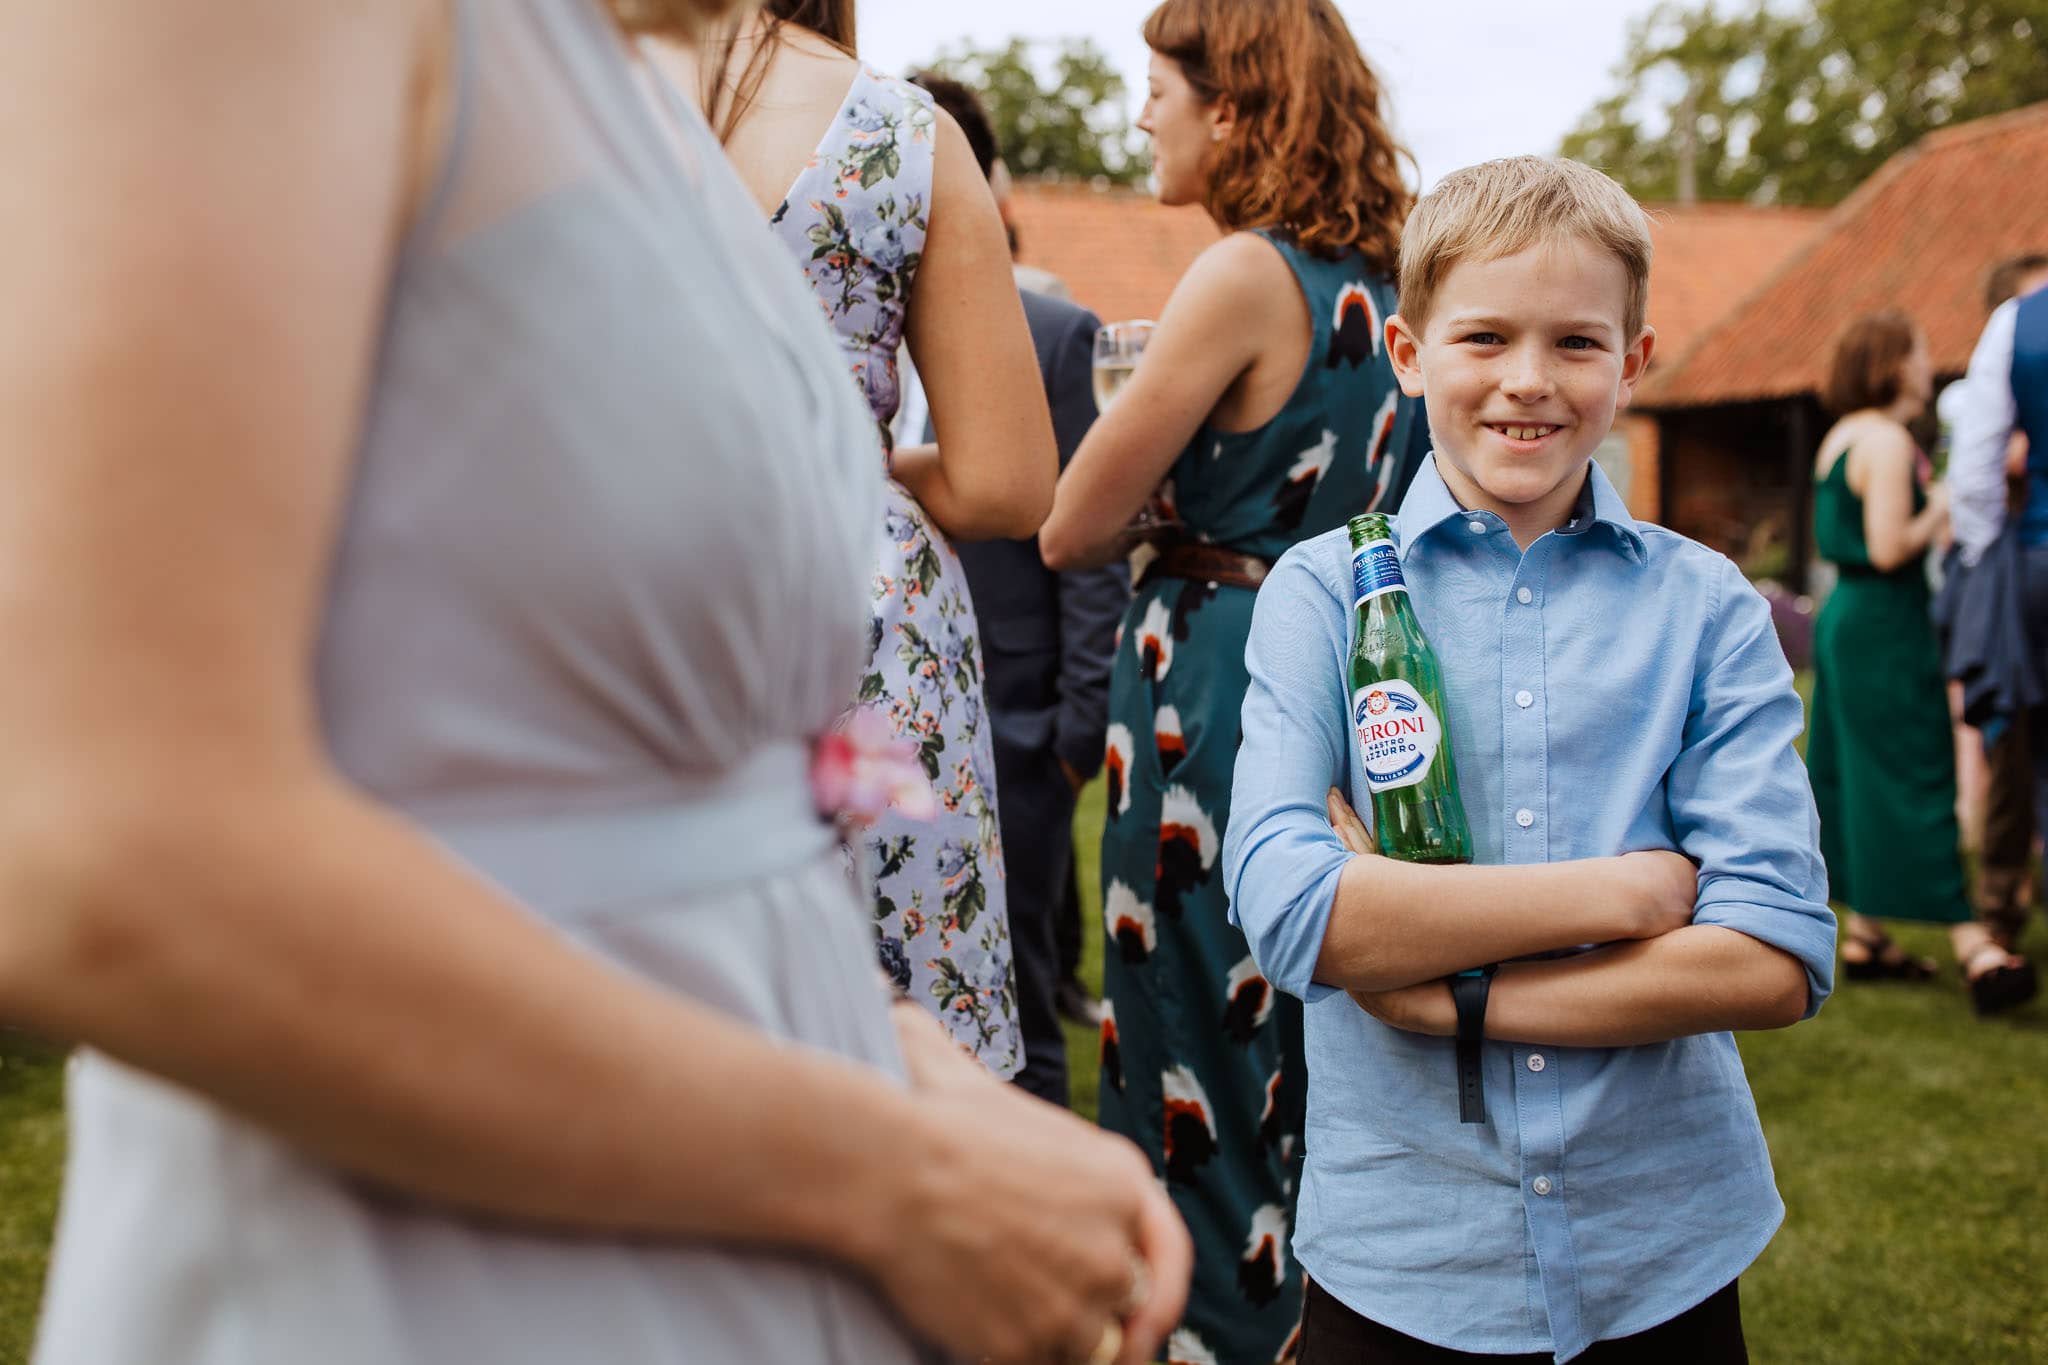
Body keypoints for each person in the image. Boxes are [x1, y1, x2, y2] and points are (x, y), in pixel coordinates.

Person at [3, 3, 1187, 1363]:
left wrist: (900, 1057)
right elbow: (99, 852)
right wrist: (892, 1170)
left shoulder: (631, 82)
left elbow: (645, 786)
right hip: (425, 1264)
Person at [1225, 156, 1837, 1361]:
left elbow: (1772, 954)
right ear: (1406, 355)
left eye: (1573, 344)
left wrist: (1443, 993)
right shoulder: (1317, 596)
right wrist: (1625, 894)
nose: (1525, 382)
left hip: (1658, 1250)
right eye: (1483, 337)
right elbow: (1290, 911)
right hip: (1408, 1257)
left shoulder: (1705, 606)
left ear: (1633, 361)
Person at [1038, 0, 1429, 1356]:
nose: (1144, 114)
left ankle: (1204, 1329)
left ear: (1239, 105)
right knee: (1308, 1033)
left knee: (1190, 1027)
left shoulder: (1240, 278)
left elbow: (1069, 521)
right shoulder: (1385, 276)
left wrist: (1160, 499)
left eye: (1160, 87)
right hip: (1349, 678)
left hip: (1214, 673)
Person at [645, 2, 1059, 1077]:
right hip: (860, 610)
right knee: (890, 1050)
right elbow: (1006, 483)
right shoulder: (901, 131)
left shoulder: (541, 85)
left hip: (622, 580)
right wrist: (860, 459)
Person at [909, 69, 1132, 1107]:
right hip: (863, 726)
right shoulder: (835, 331)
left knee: (1018, 999)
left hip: (1014, 728)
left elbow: (1085, 545)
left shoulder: (1052, 334)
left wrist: (1070, 730)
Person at [1808, 309, 2037, 1014]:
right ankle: (1977, 946)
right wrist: (1947, 498)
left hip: (1850, 617)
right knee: (1915, 766)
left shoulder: (1842, 436)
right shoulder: (1881, 440)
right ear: (1889, 364)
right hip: (1884, 618)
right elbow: (1887, 546)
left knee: (1855, 768)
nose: (1926, 362)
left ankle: (1867, 936)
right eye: (1917, 351)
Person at [1943, 253, 2048, 951]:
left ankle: (2002, 914)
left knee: (2022, 736)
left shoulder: (2019, 325)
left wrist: (1988, 553)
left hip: (2038, 552)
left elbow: (1975, 464)